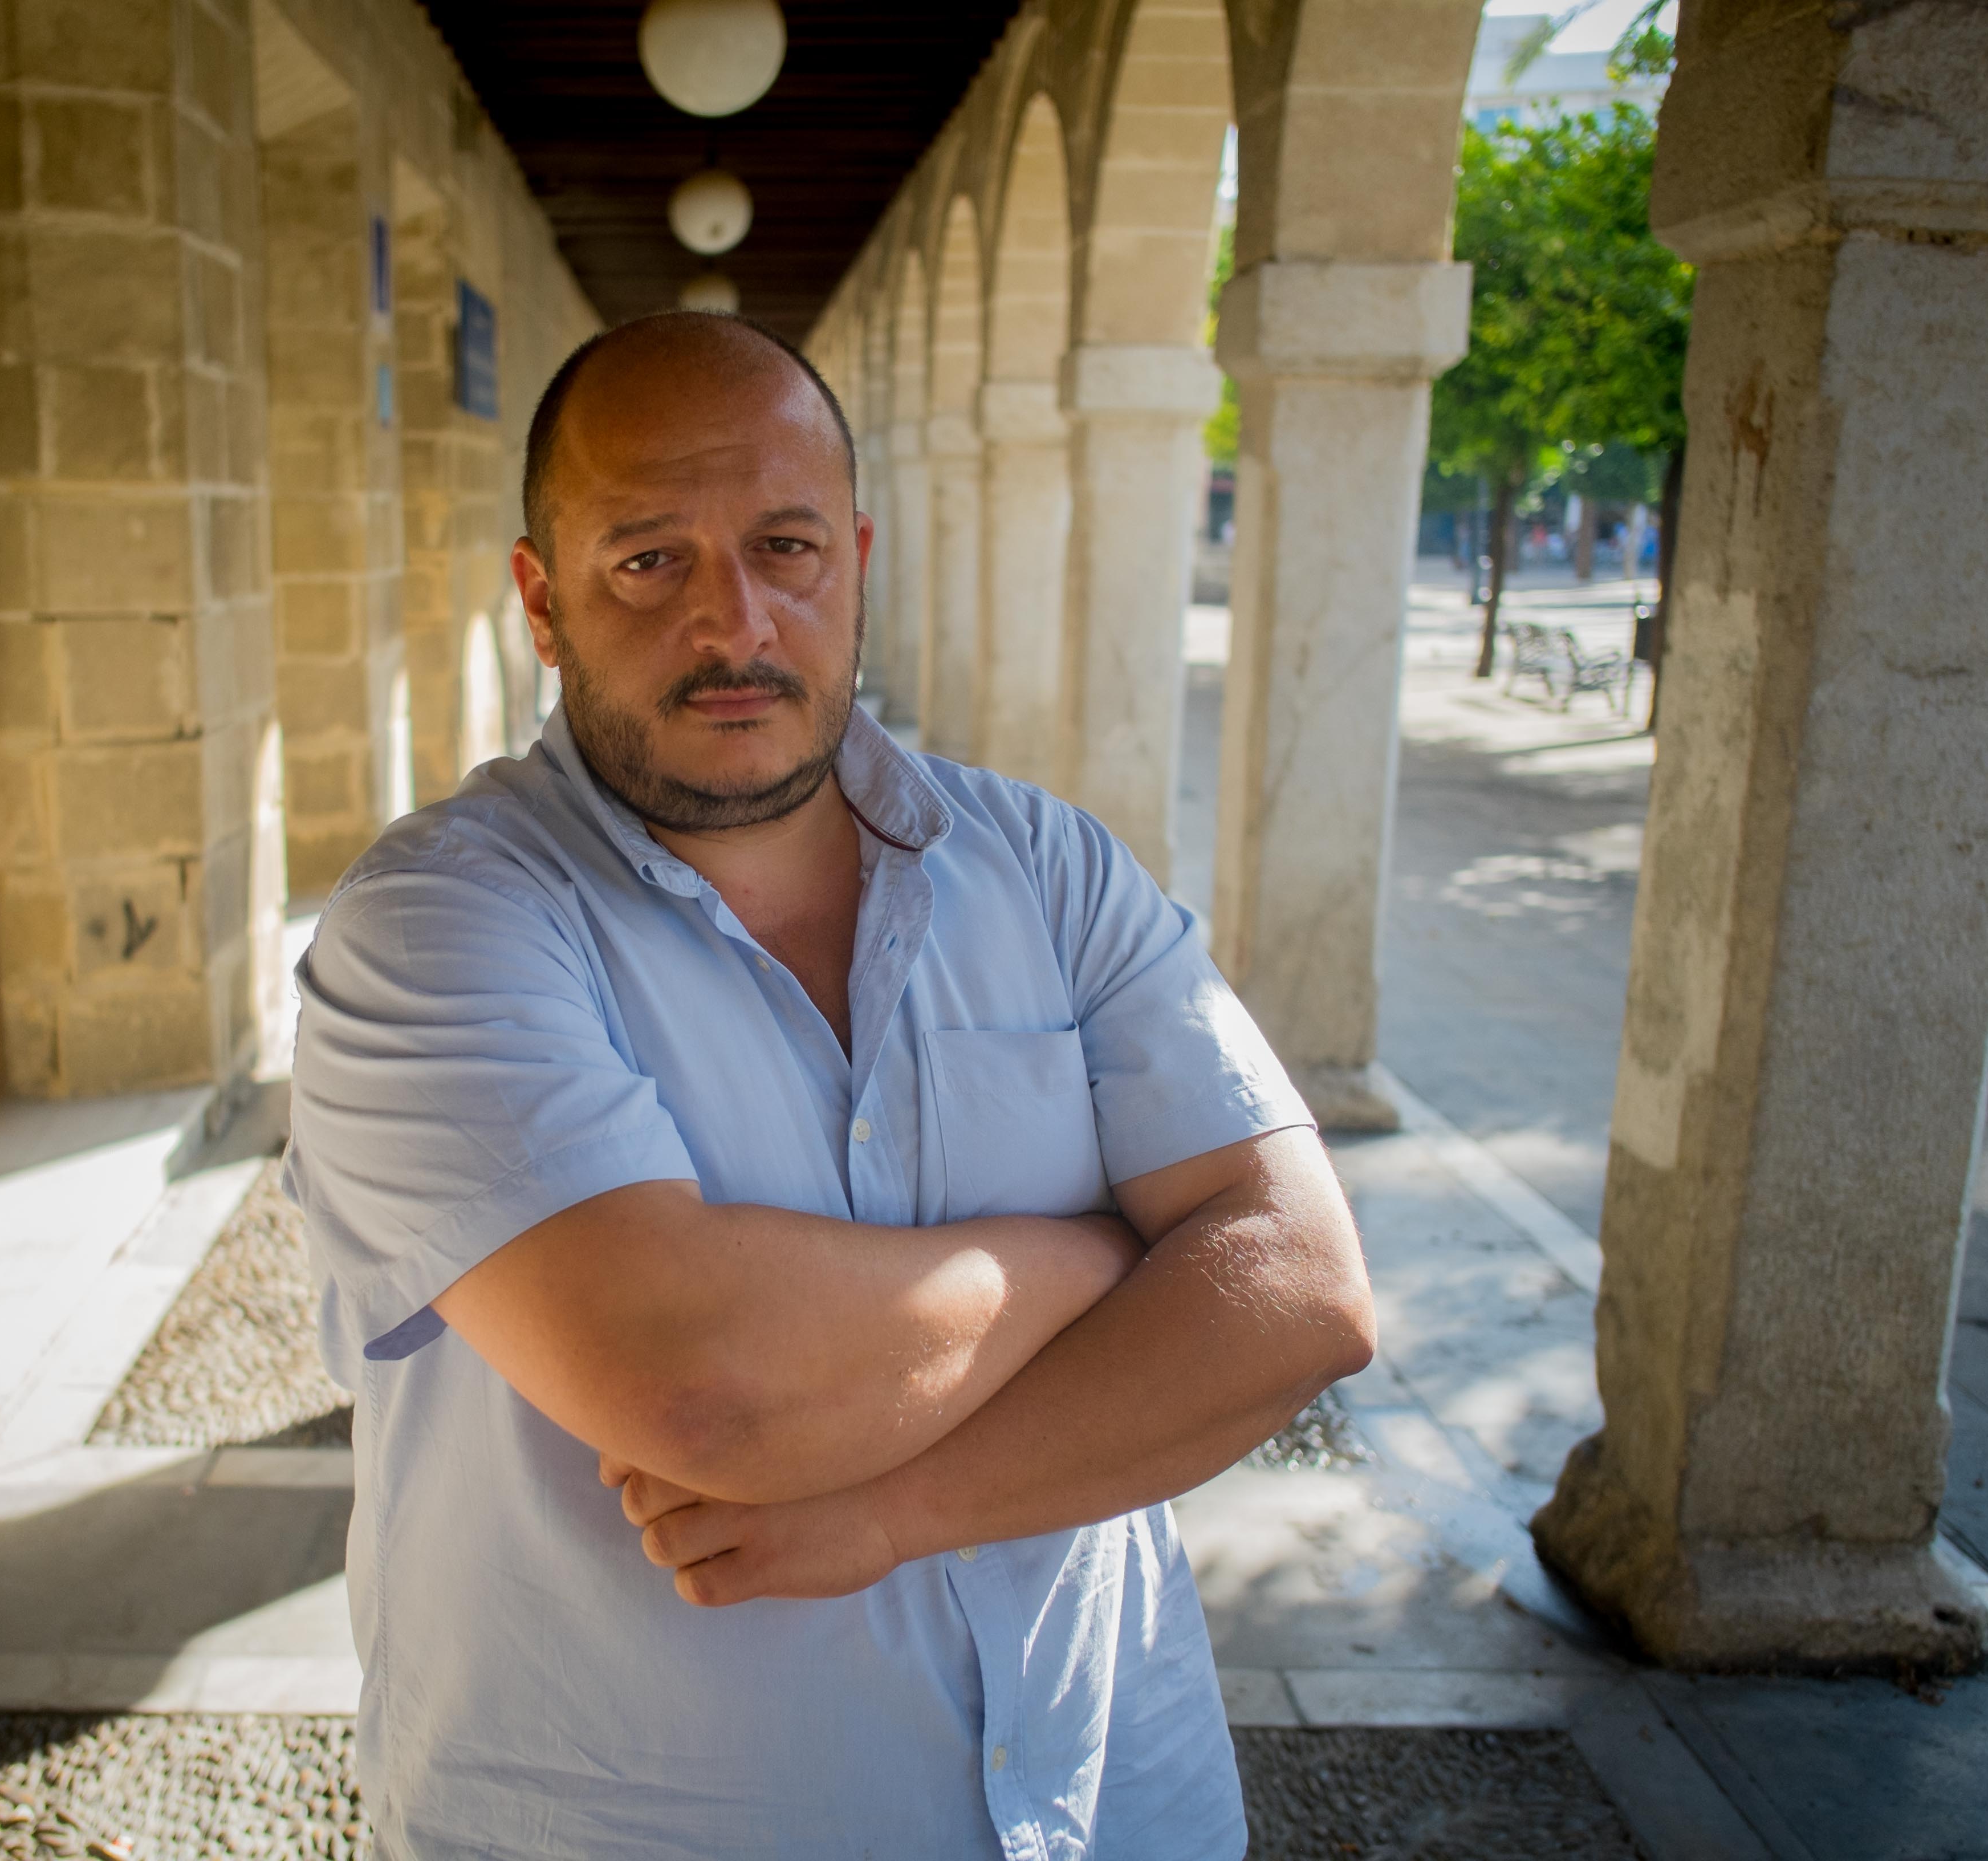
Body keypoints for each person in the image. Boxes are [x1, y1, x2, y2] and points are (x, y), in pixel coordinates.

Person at [284, 311, 1375, 1860]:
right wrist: (1110, 1255)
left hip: (1117, 1801)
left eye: (785, 546)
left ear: (856, 555)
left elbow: (1307, 1294)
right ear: (540, 599)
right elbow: (699, 1380)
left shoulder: (1047, 867)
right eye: (649, 560)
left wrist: (889, 1512)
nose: (736, 624)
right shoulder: (437, 927)